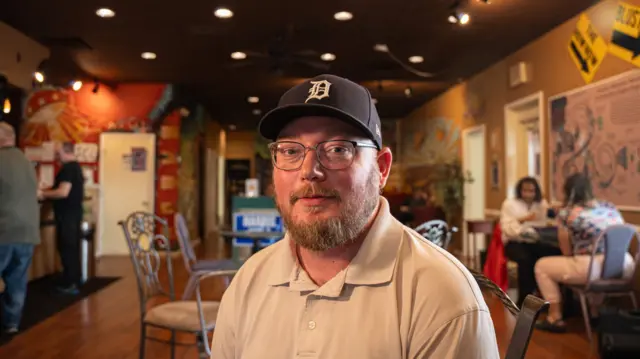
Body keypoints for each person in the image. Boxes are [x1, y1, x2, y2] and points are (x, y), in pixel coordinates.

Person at [210, 74, 499, 358]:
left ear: (381, 168)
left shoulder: (441, 294)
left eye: (337, 149)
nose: (309, 170)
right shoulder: (250, 279)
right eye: (290, 150)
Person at [534, 173, 633, 333]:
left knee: (541, 266)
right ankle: (595, 314)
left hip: (592, 267)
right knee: (593, 272)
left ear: (568, 191)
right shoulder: (609, 207)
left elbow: (567, 252)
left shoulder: (567, 213)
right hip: (625, 265)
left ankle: (555, 317)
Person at [0, 122, 40, 339]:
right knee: (17, 280)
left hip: (4, 229)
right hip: (28, 231)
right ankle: (12, 323)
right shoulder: (27, 162)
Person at [500, 176, 560, 306]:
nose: (528, 194)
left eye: (531, 191)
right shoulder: (509, 204)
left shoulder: (541, 204)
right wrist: (524, 220)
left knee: (551, 253)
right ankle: (524, 300)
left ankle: (548, 298)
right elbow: (508, 229)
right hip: (515, 242)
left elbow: (545, 222)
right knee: (525, 259)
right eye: (525, 191)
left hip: (536, 241)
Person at [39, 142, 85, 294]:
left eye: (58, 153)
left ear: (66, 152)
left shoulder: (68, 169)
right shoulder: (76, 168)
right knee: (71, 247)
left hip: (67, 216)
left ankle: (70, 283)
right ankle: (74, 280)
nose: (56, 156)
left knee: (67, 248)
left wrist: (42, 194)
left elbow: (63, 192)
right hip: (73, 214)